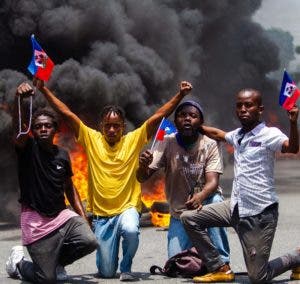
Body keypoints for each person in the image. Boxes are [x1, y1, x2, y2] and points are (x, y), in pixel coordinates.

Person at [33, 78, 193, 281]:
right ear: (101, 126)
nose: (111, 130)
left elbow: (158, 117)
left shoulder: (133, 139)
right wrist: (44, 90)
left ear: (122, 127)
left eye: (116, 126)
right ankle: (111, 261)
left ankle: (126, 266)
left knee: (130, 230)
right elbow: (67, 114)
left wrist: (180, 95)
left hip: (127, 208)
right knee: (106, 272)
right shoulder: (91, 138)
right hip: (102, 216)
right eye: (107, 126)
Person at [180, 89, 299, 283]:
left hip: (259, 214)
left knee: (258, 277)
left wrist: (293, 123)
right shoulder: (238, 135)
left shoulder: (270, 134)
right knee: (189, 218)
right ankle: (220, 267)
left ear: (260, 109)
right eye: (239, 106)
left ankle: (296, 257)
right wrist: (195, 124)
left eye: (248, 105)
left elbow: (292, 148)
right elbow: (219, 134)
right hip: (235, 206)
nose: (243, 109)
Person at [6, 82, 98, 284]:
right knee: (46, 279)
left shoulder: (63, 155)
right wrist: (18, 99)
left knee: (89, 240)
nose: (43, 129)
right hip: (36, 223)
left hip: (61, 216)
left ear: (55, 129)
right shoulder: (27, 149)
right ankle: (20, 264)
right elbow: (18, 131)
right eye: (38, 126)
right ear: (33, 131)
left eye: (48, 125)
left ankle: (55, 263)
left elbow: (69, 187)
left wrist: (83, 218)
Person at [136, 100, 230, 264]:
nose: (187, 119)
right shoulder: (166, 141)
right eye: (182, 115)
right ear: (175, 122)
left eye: (193, 116)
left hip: (205, 206)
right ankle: (200, 250)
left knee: (215, 201)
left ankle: (223, 262)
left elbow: (213, 182)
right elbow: (142, 177)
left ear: (200, 122)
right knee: (177, 263)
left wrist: (200, 196)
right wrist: (143, 166)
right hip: (179, 213)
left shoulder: (210, 144)